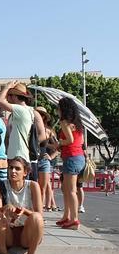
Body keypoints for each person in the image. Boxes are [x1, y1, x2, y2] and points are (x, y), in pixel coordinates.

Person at [0, 157, 43, 254]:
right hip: (8, 233)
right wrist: (6, 207)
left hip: (27, 233)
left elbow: (39, 213)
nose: (13, 171)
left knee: (36, 217)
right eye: (11, 168)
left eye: (17, 169)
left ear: (25, 172)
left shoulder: (33, 185)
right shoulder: (1, 185)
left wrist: (24, 211)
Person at [0, 81, 47, 181]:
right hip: (15, 154)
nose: (7, 98)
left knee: (20, 188)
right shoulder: (19, 112)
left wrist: (7, 87)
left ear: (14, 96)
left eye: (9, 95)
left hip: (20, 155)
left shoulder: (22, 110)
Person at [56, 97, 86, 230]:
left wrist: (59, 142)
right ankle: (66, 216)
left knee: (71, 190)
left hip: (71, 158)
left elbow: (69, 139)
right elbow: (80, 141)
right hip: (79, 157)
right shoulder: (78, 123)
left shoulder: (64, 122)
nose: (57, 110)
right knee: (66, 189)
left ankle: (74, 220)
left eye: (58, 107)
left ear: (63, 109)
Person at [35, 107, 59, 211]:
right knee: (32, 188)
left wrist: (50, 156)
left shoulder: (49, 131)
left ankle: (40, 213)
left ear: (44, 117)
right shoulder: (30, 127)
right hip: (32, 160)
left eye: (40, 114)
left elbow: (57, 147)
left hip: (44, 161)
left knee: (42, 189)